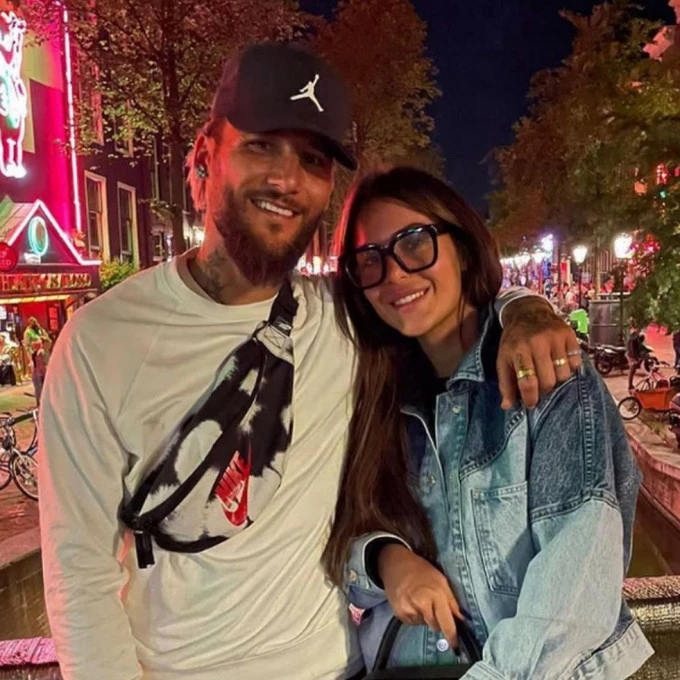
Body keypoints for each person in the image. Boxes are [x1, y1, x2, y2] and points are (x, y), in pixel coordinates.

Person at [39, 44, 579, 680]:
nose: (286, 180)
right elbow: (80, 572)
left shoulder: (345, 317)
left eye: (313, 160)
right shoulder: (102, 341)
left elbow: (445, 302)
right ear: (206, 154)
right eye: (261, 145)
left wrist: (525, 308)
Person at [323, 167, 653, 678]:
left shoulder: (546, 377)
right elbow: (335, 536)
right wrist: (385, 559)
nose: (395, 275)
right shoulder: (369, 395)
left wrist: (523, 306)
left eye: (414, 243)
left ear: (463, 247)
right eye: (370, 260)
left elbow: (573, 596)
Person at [627, 325, 650, 391]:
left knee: (633, 370)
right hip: (632, 356)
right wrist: (636, 358)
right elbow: (634, 348)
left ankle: (630, 385)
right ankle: (630, 385)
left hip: (632, 355)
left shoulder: (635, 337)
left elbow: (639, 345)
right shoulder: (634, 338)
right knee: (632, 370)